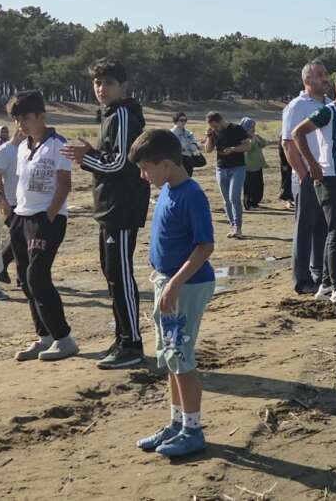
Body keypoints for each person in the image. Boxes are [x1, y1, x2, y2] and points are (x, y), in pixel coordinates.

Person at [130, 129, 217, 458]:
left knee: (181, 357)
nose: (143, 175)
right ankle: (176, 422)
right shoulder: (167, 188)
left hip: (187, 286)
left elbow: (205, 245)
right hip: (167, 282)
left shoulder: (191, 194)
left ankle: (193, 429)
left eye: (145, 168)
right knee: (169, 356)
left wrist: (175, 283)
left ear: (165, 164)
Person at [63, 57, 152, 370]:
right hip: (110, 207)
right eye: (97, 83)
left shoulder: (124, 114)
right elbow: (111, 157)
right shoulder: (111, 114)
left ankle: (132, 344)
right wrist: (93, 154)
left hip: (122, 207)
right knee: (113, 275)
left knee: (121, 275)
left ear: (123, 86)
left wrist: (86, 159)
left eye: (108, 83)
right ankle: (123, 337)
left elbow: (121, 164)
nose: (101, 89)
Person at [8, 90, 78, 362]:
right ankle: (45, 336)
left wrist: (50, 214)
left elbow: (64, 184)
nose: (21, 124)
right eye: (17, 119)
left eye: (26, 117)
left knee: (38, 276)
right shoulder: (23, 146)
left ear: (41, 115)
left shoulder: (58, 144)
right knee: (25, 279)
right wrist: (13, 213)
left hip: (46, 218)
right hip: (21, 216)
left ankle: (64, 339)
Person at [292, 68, 336, 310]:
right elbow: (297, 133)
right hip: (331, 178)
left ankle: (324, 283)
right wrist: (312, 164)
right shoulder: (327, 112)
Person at [281, 60, 331, 295]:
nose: (325, 78)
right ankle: (301, 280)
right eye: (320, 75)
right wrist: (304, 175)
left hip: (329, 176)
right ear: (307, 80)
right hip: (308, 177)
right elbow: (288, 144)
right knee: (305, 229)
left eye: (326, 74)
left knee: (323, 226)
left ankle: (319, 273)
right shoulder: (297, 106)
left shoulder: (330, 105)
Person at [203, 112, 250, 239]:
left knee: (234, 197)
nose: (214, 129)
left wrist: (234, 149)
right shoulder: (213, 132)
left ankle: (238, 227)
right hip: (221, 168)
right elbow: (207, 150)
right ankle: (232, 225)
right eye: (212, 127)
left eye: (215, 126)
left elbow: (247, 145)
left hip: (237, 167)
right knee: (226, 200)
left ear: (221, 120)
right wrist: (208, 136)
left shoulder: (237, 129)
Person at [0, 126, 25, 285]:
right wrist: (3, 202)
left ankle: (16, 275)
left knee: (21, 240)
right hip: (10, 204)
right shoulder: (3, 152)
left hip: (26, 203)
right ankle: (6, 271)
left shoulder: (30, 149)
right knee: (21, 239)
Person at [241, 117, 268, 210]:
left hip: (257, 166)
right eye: (251, 127)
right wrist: (252, 138)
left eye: (254, 127)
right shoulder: (243, 139)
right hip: (249, 168)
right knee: (249, 187)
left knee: (258, 186)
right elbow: (249, 148)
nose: (253, 129)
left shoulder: (254, 137)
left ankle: (255, 202)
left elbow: (264, 144)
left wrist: (257, 137)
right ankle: (249, 204)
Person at [171, 113, 202, 177]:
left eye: (185, 120)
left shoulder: (189, 133)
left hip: (188, 160)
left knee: (188, 179)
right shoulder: (170, 133)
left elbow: (193, 143)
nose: (184, 122)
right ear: (176, 121)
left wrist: (195, 146)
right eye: (181, 120)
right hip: (177, 161)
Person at [276, 126, 294, 208]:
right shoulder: (283, 135)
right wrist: (284, 164)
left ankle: (292, 199)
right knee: (287, 181)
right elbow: (281, 151)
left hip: (294, 161)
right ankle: (288, 200)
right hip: (286, 163)